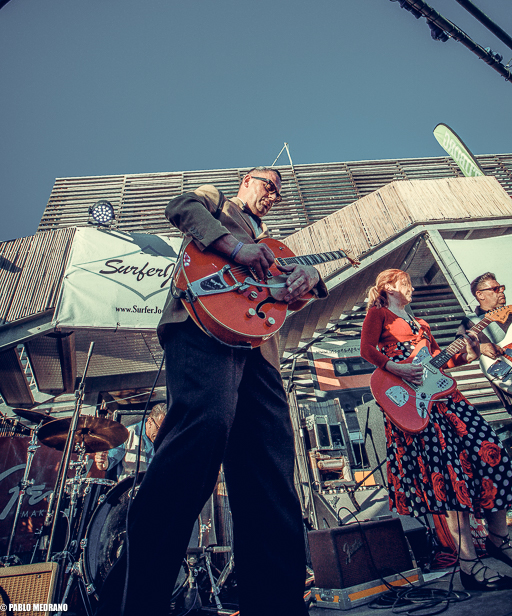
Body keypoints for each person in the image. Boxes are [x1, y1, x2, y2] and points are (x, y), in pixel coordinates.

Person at [96, 167, 327, 616]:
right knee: (197, 442)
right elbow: (180, 206)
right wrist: (237, 248)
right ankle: (132, 604)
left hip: (259, 351)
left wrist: (310, 276)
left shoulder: (274, 243)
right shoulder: (218, 202)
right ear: (246, 181)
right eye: (268, 185)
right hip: (201, 325)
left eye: (278, 193)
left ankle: (277, 606)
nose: (273, 195)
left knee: (270, 469)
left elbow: (288, 292)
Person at [360, 268, 512, 591]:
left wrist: (470, 351)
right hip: (416, 406)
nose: (412, 288)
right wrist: (397, 368)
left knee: (493, 453)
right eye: (406, 283)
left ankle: (500, 540)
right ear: (389, 287)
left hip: (447, 399)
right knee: (452, 476)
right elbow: (367, 350)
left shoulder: (423, 325)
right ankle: (469, 564)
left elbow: (442, 362)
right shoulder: (379, 314)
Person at [453, 272, 512, 414]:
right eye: (495, 289)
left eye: (501, 287)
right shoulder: (471, 321)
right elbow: (457, 347)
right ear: (480, 295)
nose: (501, 291)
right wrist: (481, 347)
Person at [93, 403, 167, 481]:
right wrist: (101, 461)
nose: (162, 434)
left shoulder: (168, 439)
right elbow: (107, 462)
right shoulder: (127, 434)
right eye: (159, 429)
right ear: (150, 422)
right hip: (129, 487)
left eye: (165, 430)